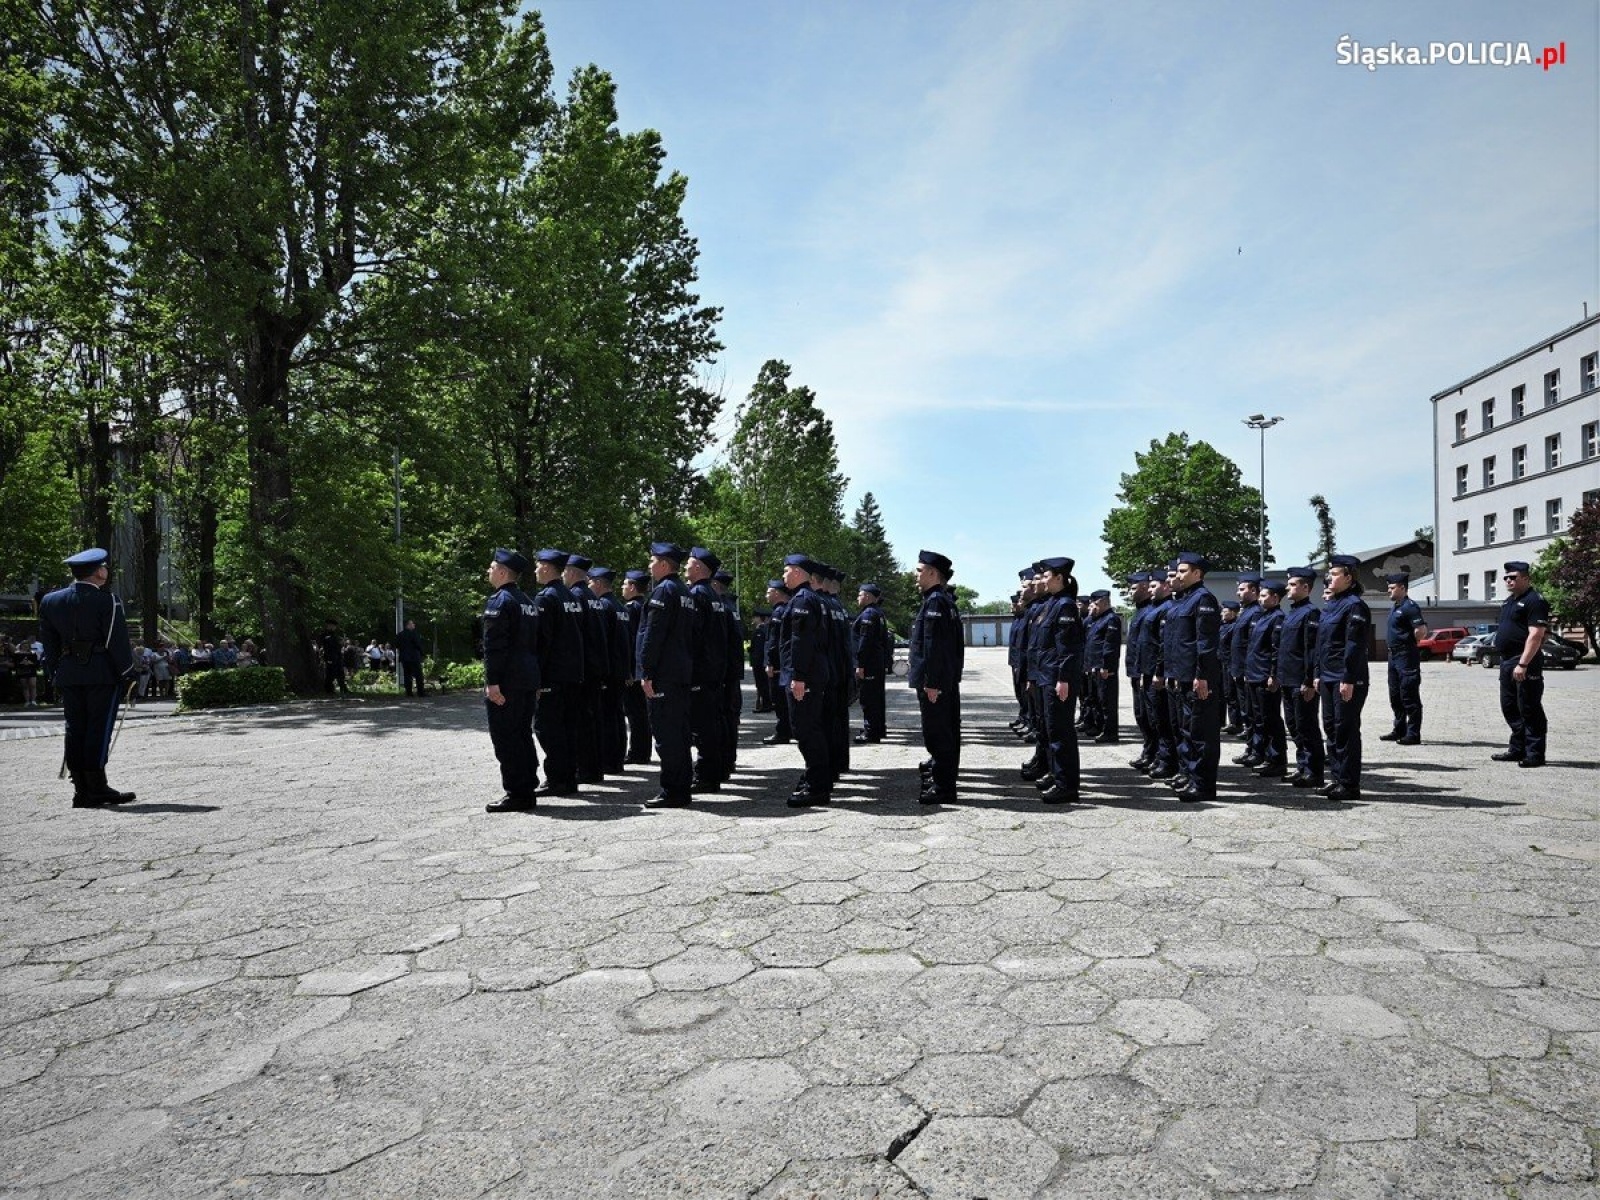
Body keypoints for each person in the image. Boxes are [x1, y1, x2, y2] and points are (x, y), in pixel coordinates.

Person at [37, 548, 137, 808]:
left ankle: (81, 789)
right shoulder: (108, 601)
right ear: (98, 572)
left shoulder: (50, 601)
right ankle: (96, 787)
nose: (106, 570)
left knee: (75, 729)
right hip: (101, 673)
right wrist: (128, 673)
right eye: (104, 566)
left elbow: (49, 644)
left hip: (68, 673)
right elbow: (117, 642)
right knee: (98, 729)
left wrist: (54, 673)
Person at [481, 549, 542, 812]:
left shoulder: (500, 601)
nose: (488, 571)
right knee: (522, 734)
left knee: (507, 736)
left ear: (503, 572)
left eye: (492, 567)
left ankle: (517, 792)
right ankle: (527, 787)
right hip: (527, 678)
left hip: (508, 681)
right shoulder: (526, 601)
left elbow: (494, 646)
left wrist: (492, 682)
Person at [637, 542, 695, 808]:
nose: (649, 566)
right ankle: (681, 786)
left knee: (667, 735)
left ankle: (673, 790)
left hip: (664, 674)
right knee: (679, 732)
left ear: (663, 564)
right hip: (681, 671)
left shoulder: (664, 591)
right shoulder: (684, 591)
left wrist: (646, 671)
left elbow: (653, 634)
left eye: (652, 561)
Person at [1162, 552, 1223, 803]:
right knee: (1187, 731)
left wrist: (1202, 675)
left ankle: (1203, 785)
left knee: (1201, 733)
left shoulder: (1203, 598)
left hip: (1198, 678)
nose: (1179, 574)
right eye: (1178, 570)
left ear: (1198, 573)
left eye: (1184, 570)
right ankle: (1190, 776)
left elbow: (1205, 643)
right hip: (1183, 676)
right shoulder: (1183, 601)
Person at [1314, 554, 1371, 802]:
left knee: (1345, 730)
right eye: (1329, 573)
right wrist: (1317, 673)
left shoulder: (1354, 606)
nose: (1329, 577)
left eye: (1335, 573)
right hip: (1327, 676)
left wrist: (1348, 678)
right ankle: (1336, 778)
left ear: (1349, 577)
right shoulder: (1331, 605)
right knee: (1331, 728)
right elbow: (1322, 644)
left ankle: (1349, 784)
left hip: (1345, 678)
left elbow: (1354, 645)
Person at [778, 554, 834, 806]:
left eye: (787, 571)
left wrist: (798, 676)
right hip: (811, 674)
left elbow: (801, 641)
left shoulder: (802, 600)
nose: (784, 576)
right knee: (811, 729)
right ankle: (818, 779)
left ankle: (817, 787)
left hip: (805, 676)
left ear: (799, 572)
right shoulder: (811, 598)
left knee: (806, 730)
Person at [909, 549, 962, 804]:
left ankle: (943, 788)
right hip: (944, 681)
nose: (915, 575)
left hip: (935, 683)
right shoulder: (943, 601)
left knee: (938, 734)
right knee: (945, 732)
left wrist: (932, 681)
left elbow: (935, 647)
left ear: (932, 573)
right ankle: (944, 782)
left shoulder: (936, 603)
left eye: (919, 571)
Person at [532, 549, 585, 796]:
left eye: (537, 566)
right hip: (573, 673)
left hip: (553, 674)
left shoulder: (546, 598)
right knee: (568, 727)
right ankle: (569, 777)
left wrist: (537, 677)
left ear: (546, 567)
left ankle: (557, 779)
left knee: (548, 727)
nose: (535, 571)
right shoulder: (570, 596)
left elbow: (542, 642)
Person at [1491, 560, 1550, 768]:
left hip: (1524, 661)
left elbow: (1536, 635)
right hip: (1507, 660)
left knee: (1529, 706)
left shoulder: (1535, 601)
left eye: (1513, 577)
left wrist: (1523, 663)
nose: (1508, 580)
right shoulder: (1509, 602)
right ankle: (1518, 748)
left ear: (1526, 578)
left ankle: (1534, 753)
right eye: (1506, 577)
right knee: (1509, 706)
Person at [1034, 557, 1083, 804]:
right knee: (1051, 731)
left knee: (1061, 732)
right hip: (1047, 676)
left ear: (1059, 578)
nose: (1042, 580)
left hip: (1057, 679)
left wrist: (1064, 678)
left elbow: (1069, 647)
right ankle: (1056, 774)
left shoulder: (1065, 605)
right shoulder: (1052, 604)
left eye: (1046, 576)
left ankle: (1067, 785)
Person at [1273, 567, 1325, 789]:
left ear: (1306, 588)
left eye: (1293, 585)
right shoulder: (1292, 613)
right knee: (1295, 726)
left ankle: (1314, 771)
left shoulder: (1311, 613)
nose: (1288, 588)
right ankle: (1302, 767)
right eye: (1289, 584)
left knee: (1307, 726)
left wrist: (1308, 681)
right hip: (1287, 679)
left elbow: (1311, 650)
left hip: (1300, 682)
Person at [684, 548, 730, 793]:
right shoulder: (712, 594)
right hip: (713, 669)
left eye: (689, 563)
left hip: (700, 670)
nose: (685, 567)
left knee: (702, 727)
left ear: (700, 567)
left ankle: (705, 776)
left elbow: (694, 635)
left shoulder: (697, 594)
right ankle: (712, 772)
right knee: (710, 724)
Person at [564, 553, 609, 782]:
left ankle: (586, 769)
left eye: (564, 571)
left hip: (583, 669)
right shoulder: (592, 596)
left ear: (571, 572)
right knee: (593, 720)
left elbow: (575, 637)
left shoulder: (576, 597)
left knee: (581, 721)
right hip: (595, 667)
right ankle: (594, 768)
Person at [588, 566, 632, 775]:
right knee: (616, 715)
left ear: (597, 583)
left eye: (590, 583)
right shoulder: (620, 607)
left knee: (607, 717)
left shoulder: (603, 606)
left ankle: (609, 760)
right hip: (621, 669)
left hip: (609, 670)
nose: (589, 587)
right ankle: (616, 759)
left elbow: (601, 641)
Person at [1244, 580, 1288, 778]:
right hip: (1254, 674)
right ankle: (1266, 757)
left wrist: (1273, 674)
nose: (1260, 599)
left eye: (1264, 596)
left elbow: (1276, 649)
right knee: (1259, 719)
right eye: (1260, 595)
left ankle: (1277, 760)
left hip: (1264, 676)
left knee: (1271, 719)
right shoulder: (1263, 617)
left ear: (1275, 598)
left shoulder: (1278, 618)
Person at [1380, 573, 1426, 745]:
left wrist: (1410, 644)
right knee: (1395, 695)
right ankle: (1399, 729)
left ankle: (1413, 733)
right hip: (1393, 656)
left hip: (1406, 655)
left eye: (1392, 588)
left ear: (1402, 588)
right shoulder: (1395, 606)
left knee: (1409, 694)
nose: (1388, 590)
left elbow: (1421, 630)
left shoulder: (1410, 607)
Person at [712, 567, 746, 784]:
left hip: (722, 672)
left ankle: (722, 763)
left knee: (721, 718)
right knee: (730, 718)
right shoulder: (731, 606)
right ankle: (728, 760)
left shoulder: (721, 607)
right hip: (731, 672)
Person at [851, 583, 892, 743]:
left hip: (869, 663)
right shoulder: (878, 613)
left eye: (860, 595)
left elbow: (865, 642)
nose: (858, 598)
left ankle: (871, 732)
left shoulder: (868, 614)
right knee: (877, 697)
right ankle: (878, 728)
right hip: (877, 662)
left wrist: (860, 664)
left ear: (867, 596)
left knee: (869, 699)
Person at [620, 569, 653, 764]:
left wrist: (629, 670)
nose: (622, 589)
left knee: (635, 713)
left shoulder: (631, 608)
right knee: (642, 713)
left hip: (632, 669)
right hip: (640, 668)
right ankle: (643, 751)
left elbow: (630, 642)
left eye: (624, 585)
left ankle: (637, 752)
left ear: (632, 587)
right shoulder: (645, 606)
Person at [1085, 590, 1123, 743]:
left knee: (1107, 702)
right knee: (1095, 700)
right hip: (1093, 666)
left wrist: (1106, 665)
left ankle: (1110, 732)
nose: (1092, 605)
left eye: (1095, 602)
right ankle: (1099, 727)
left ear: (1103, 601)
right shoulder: (1095, 619)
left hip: (1104, 668)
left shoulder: (1111, 619)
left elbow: (1110, 645)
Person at [761, 578, 794, 745]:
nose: (766, 595)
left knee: (779, 700)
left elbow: (774, 641)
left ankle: (783, 731)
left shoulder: (778, 612)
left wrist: (770, 662)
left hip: (778, 665)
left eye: (768, 592)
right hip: (785, 663)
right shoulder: (786, 609)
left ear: (776, 593)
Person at [397, 619, 427, 696]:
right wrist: (423, 654)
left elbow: (397, 645)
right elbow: (418, 644)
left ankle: (409, 693)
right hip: (414, 657)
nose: (414, 625)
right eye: (412, 624)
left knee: (407, 675)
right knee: (418, 675)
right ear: (408, 625)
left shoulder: (400, 635)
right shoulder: (414, 633)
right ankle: (420, 692)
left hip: (404, 658)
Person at [320, 620, 349, 696]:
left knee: (340, 673)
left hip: (337, 656)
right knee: (330, 674)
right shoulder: (325, 634)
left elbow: (337, 646)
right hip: (330, 657)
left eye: (334, 626)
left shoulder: (335, 635)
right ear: (328, 625)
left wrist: (341, 643)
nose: (333, 627)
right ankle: (329, 690)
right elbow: (326, 646)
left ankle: (343, 688)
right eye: (332, 626)